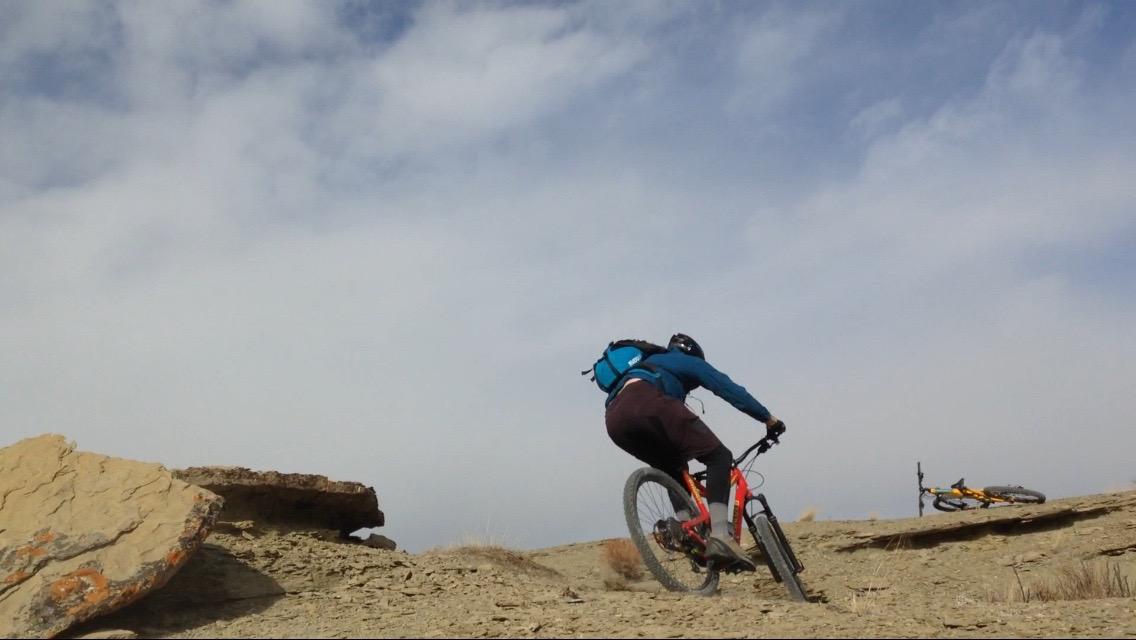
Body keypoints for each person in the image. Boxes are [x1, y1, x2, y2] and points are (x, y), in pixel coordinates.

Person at [604, 333, 785, 570]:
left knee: (673, 469)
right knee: (718, 456)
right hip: (649, 403)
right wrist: (768, 418)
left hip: (615, 420)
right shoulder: (684, 361)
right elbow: (727, 388)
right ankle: (720, 536)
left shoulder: (647, 365)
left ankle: (687, 532)